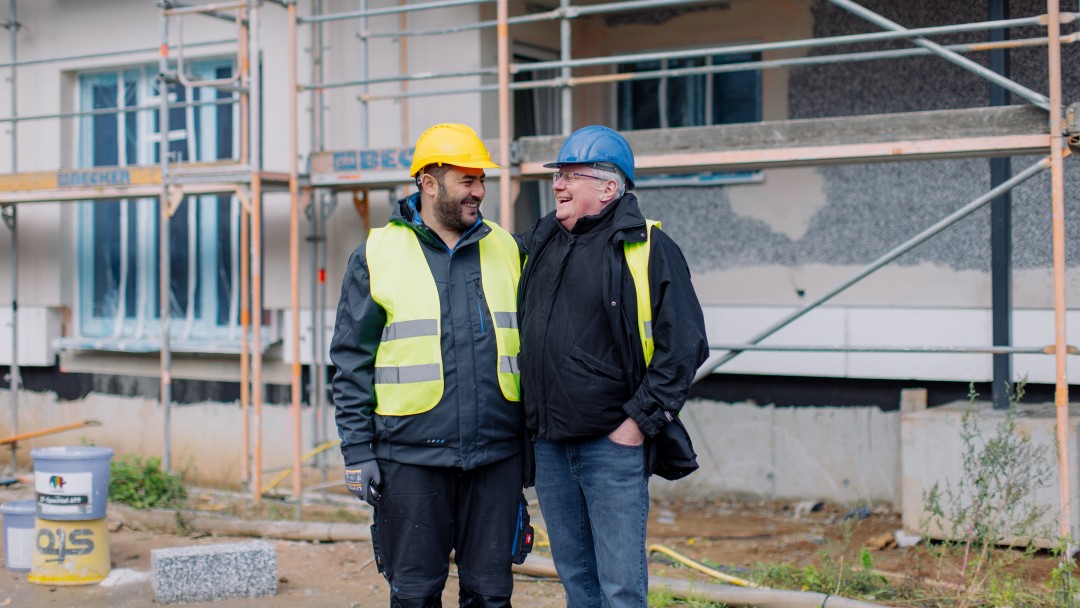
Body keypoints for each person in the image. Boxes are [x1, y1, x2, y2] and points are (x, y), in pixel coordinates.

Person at [331, 123, 530, 608]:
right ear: (428, 182)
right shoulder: (377, 254)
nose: (479, 191)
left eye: (481, 180)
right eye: (467, 180)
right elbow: (351, 360)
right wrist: (357, 451)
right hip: (411, 462)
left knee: (491, 595)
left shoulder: (505, 247)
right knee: (416, 594)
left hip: (495, 457)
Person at [516, 125, 709, 608]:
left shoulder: (646, 247)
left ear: (607, 187)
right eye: (557, 176)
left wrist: (638, 424)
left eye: (570, 176)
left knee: (621, 587)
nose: (557, 185)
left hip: (611, 445)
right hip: (550, 445)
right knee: (577, 580)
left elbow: (685, 345)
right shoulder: (542, 242)